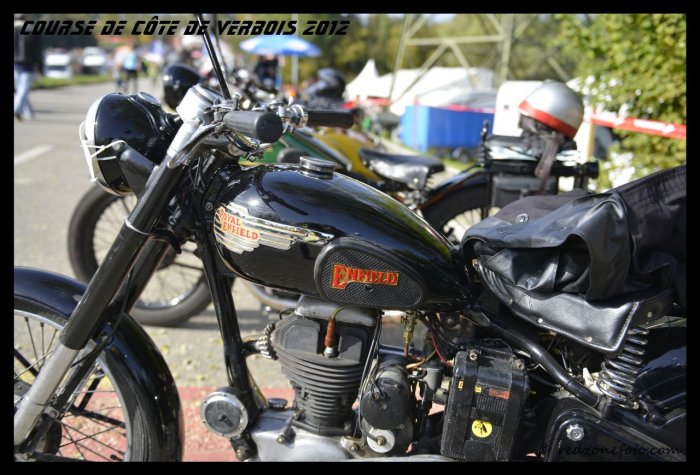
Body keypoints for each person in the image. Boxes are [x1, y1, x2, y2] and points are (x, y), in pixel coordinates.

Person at [14, 14, 43, 121]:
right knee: (23, 89)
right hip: (28, 65)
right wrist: (40, 66)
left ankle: (28, 112)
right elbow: (38, 50)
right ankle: (17, 109)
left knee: (20, 89)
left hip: (15, 64)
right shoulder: (32, 31)